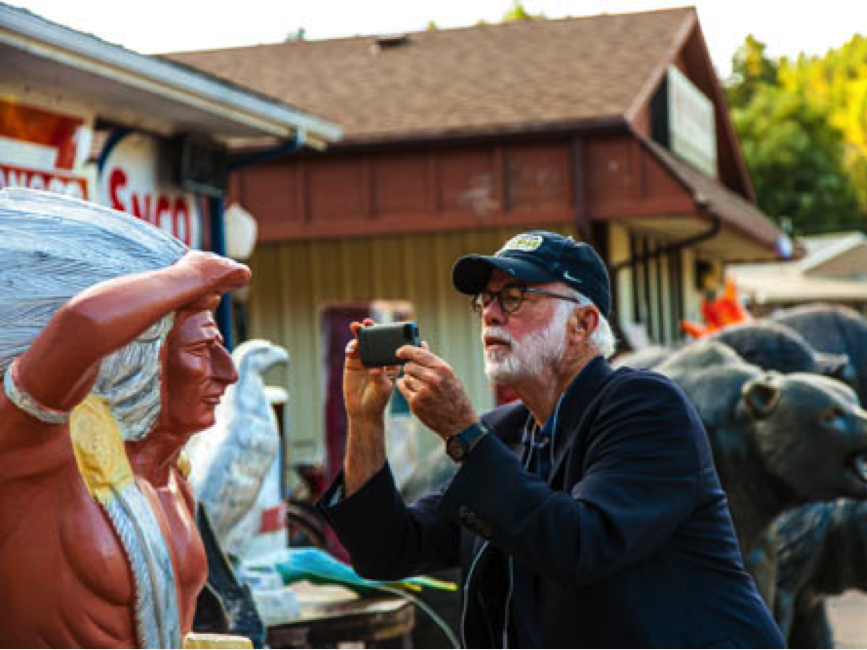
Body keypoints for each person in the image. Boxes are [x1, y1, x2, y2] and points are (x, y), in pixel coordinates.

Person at [319, 231, 784, 649]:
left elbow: (581, 546)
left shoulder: (645, 406)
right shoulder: (508, 432)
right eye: (487, 299)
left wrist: (462, 432)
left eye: (516, 296)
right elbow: (387, 549)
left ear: (582, 323)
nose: (492, 315)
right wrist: (365, 420)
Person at [0, 190, 250, 649]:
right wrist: (188, 276)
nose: (227, 371)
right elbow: (79, 327)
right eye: (200, 350)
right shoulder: (36, 447)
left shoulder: (170, 477)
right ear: (135, 360)